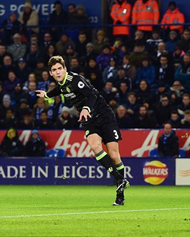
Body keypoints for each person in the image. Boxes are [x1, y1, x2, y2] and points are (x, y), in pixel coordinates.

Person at [36, 56, 129, 206]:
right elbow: (59, 90)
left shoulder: (75, 79)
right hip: (89, 119)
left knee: (114, 155)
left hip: (104, 115)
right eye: (54, 70)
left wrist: (85, 108)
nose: (58, 72)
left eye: (60, 68)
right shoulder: (62, 85)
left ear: (65, 69)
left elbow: (91, 95)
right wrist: (46, 95)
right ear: (51, 73)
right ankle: (119, 179)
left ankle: (120, 196)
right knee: (94, 146)